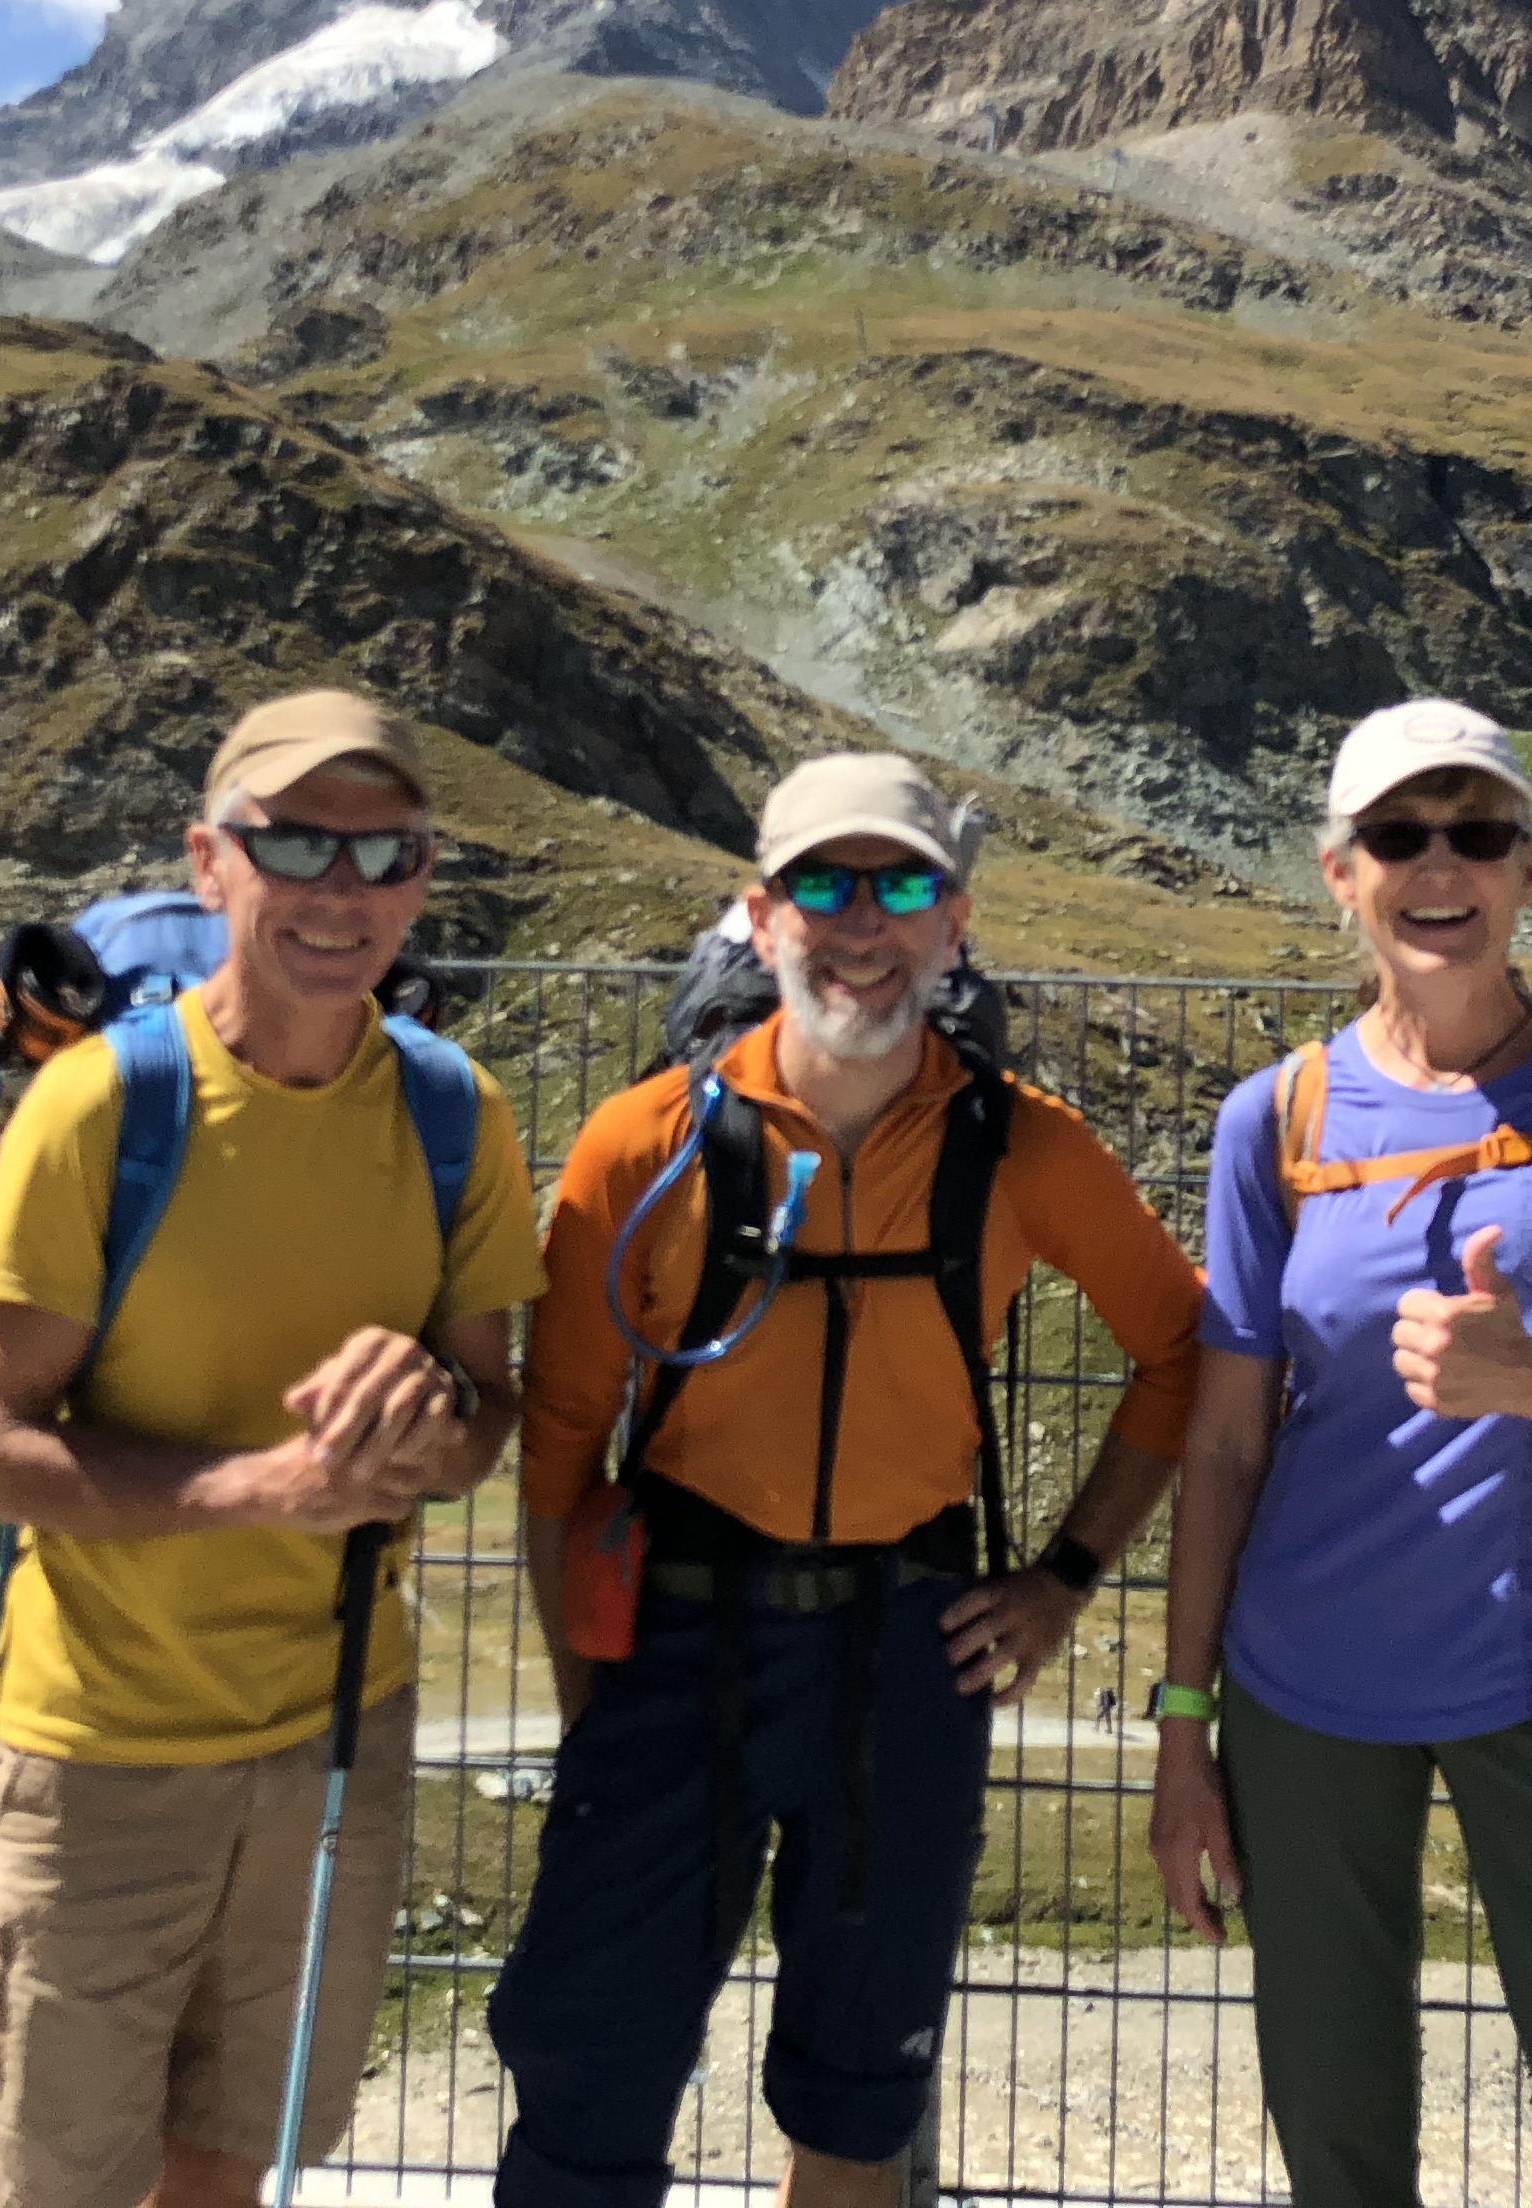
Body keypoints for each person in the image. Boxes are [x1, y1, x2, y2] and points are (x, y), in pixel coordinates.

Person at [493, 752, 1205, 2208]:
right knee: (591, 2070)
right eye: (823, 882)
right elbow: (559, 1442)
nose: (861, 921)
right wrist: (591, 1691)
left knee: (859, 2099)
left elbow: (1184, 1352)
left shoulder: (1028, 1148)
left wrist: (1062, 1584)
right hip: (676, 1644)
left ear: (954, 928)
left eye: (904, 886)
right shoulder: (641, 1145)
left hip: (908, 1646)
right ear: (761, 917)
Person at [1145, 699, 1532, 2208]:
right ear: (1339, 871)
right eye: (1399, 836)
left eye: (1476, 833)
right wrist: (1180, 1725)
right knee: (1340, 2152)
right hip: (1301, 1699)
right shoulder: (1269, 1122)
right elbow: (1223, 1448)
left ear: (1528, 871)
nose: (1441, 867)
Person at [0, 690, 546, 2208]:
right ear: (211, 865)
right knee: (56, 2186)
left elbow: (490, 1414)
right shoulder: (100, 1108)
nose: (344, 895)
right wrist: (263, 1491)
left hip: (339, 1736)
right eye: (297, 847)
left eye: (387, 854)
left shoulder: (454, 1111)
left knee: (236, 2162)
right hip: (102, 1752)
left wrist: (424, 1413)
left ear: (424, 879)